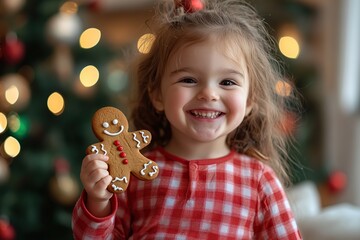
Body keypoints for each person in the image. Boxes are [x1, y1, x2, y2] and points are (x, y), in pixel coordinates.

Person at [72, 0, 303, 239]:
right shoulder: (132, 175)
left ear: (249, 101)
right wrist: (98, 199)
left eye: (227, 82)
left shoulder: (259, 181)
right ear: (157, 94)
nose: (209, 94)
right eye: (189, 80)